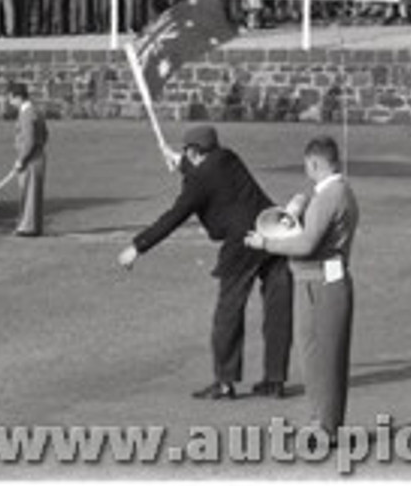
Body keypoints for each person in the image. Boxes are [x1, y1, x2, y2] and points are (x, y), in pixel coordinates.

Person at [118, 125, 293, 401]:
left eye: (188, 152)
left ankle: (224, 382)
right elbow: (205, 172)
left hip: (243, 244)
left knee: (228, 312)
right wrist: (181, 163)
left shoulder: (199, 180)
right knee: (278, 312)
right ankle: (276, 380)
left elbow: (174, 216)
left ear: (195, 151)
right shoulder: (229, 157)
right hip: (274, 231)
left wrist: (137, 247)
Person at [245, 135, 358, 438]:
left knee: (318, 360)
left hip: (318, 285)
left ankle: (324, 427)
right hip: (325, 281)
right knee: (326, 359)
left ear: (314, 163)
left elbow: (307, 244)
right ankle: (325, 424)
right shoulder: (337, 192)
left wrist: (266, 243)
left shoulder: (329, 196)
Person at [8, 82, 48, 237]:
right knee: (33, 193)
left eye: (11, 99)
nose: (10, 102)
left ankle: (28, 227)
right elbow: (45, 135)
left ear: (18, 97)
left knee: (29, 193)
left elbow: (29, 140)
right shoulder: (35, 110)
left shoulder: (26, 113)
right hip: (37, 156)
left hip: (30, 159)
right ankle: (33, 226)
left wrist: (21, 159)